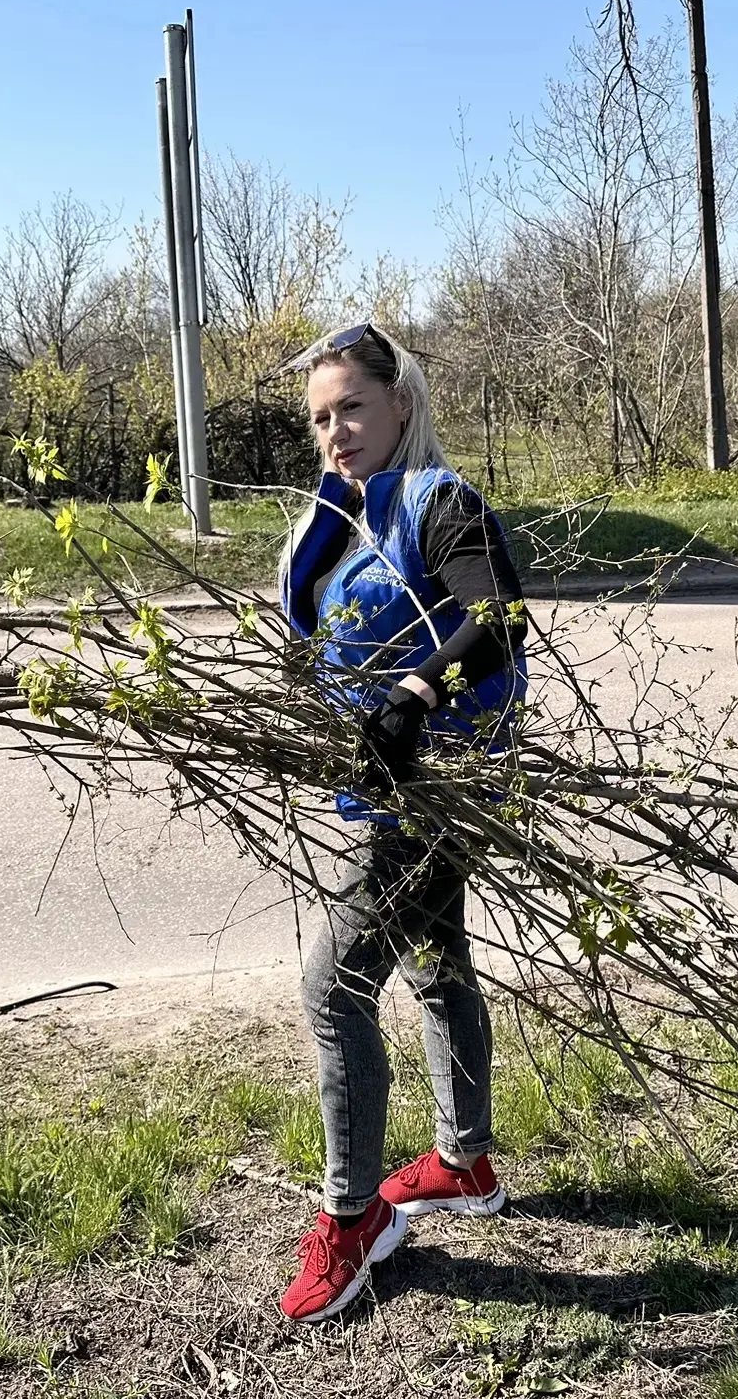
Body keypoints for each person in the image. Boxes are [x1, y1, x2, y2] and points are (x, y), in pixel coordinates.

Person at [273, 321, 528, 1323]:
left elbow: (498, 618)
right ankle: (464, 1163)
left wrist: (415, 698)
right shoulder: (341, 521)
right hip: (386, 791)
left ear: (402, 406)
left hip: (437, 794)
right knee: (435, 963)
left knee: (334, 986)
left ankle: (353, 1220)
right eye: (322, 418)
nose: (337, 431)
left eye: (354, 409)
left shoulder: (437, 502)